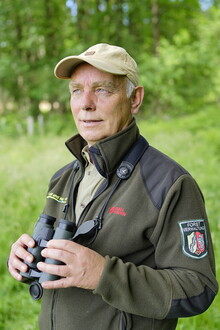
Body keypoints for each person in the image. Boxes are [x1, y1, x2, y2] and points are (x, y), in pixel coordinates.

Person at [8, 43, 218, 330]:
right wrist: (28, 260)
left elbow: (199, 287)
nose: (86, 104)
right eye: (76, 91)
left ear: (135, 99)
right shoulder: (63, 177)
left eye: (103, 90)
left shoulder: (169, 184)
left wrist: (102, 274)